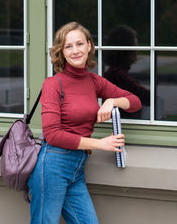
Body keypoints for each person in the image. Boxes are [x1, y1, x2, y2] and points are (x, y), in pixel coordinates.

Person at [28, 22, 142, 224]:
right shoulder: (53, 84)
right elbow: (53, 134)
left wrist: (112, 101)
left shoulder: (94, 82)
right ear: (61, 52)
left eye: (79, 44)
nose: (75, 51)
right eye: (68, 46)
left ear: (89, 45)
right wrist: (100, 143)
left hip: (77, 167)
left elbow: (135, 102)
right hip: (52, 165)